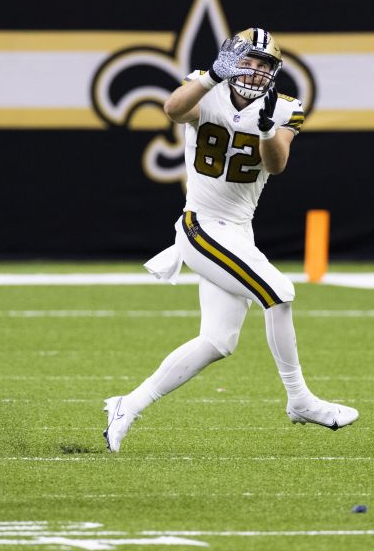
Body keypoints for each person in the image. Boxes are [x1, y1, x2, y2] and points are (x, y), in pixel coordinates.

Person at [102, 27, 359, 453]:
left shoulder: (285, 108)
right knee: (280, 293)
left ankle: (126, 405)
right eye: (249, 60)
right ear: (230, 59)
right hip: (201, 225)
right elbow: (171, 109)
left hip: (238, 229)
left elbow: (276, 166)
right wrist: (209, 78)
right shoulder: (205, 86)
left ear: (274, 71)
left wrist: (264, 131)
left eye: (265, 64)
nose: (256, 70)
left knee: (218, 341)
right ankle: (299, 400)